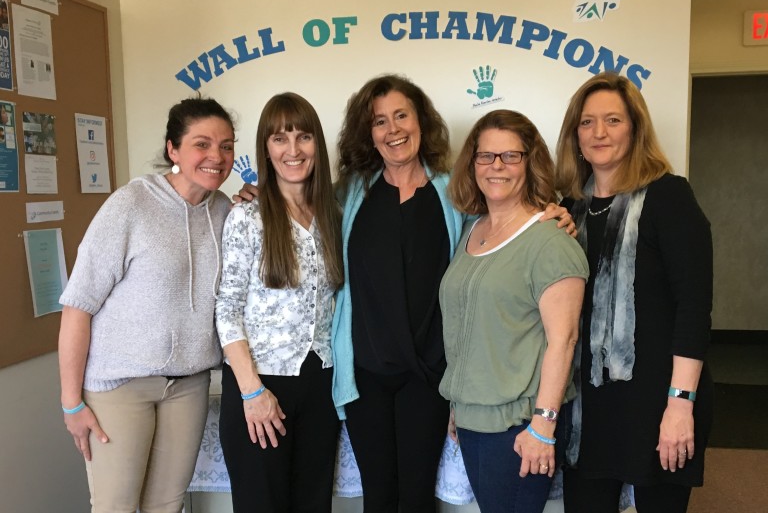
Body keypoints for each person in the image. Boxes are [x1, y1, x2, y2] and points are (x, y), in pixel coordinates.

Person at [330, 74, 576, 513]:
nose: (393, 129)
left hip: (429, 377)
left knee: (418, 497)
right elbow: (297, 205)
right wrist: (254, 193)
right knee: (378, 497)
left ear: (421, 121)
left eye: (401, 115)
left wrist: (557, 211)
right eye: (380, 121)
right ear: (368, 133)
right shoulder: (350, 194)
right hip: (366, 373)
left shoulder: (455, 193)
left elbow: (507, 223)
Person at [58, 97, 235, 513]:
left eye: (226, 146)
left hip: (189, 385)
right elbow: (78, 306)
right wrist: (71, 402)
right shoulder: (131, 204)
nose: (216, 156)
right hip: (119, 386)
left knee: (167, 505)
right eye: (202, 144)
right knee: (115, 506)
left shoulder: (227, 211)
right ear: (173, 149)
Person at [555, 72, 714, 513]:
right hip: (589, 407)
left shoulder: (669, 197)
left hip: (659, 399)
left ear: (635, 129)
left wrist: (680, 406)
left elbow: (693, 308)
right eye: (587, 122)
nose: (599, 133)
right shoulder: (569, 211)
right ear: (575, 135)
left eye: (613, 120)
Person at [439, 109, 588, 513]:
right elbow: (469, 327)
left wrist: (543, 425)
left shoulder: (551, 241)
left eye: (511, 156)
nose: (497, 166)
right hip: (473, 418)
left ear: (530, 162)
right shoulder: (472, 229)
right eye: (486, 156)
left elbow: (564, 341)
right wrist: (459, 404)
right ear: (472, 164)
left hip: (519, 425)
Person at [215, 93, 343, 513]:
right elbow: (227, 308)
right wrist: (252, 392)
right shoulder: (247, 216)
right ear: (266, 149)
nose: (293, 150)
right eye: (279, 138)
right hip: (260, 383)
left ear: (317, 144)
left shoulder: (333, 214)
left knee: (313, 504)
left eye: (303, 137)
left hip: (320, 382)